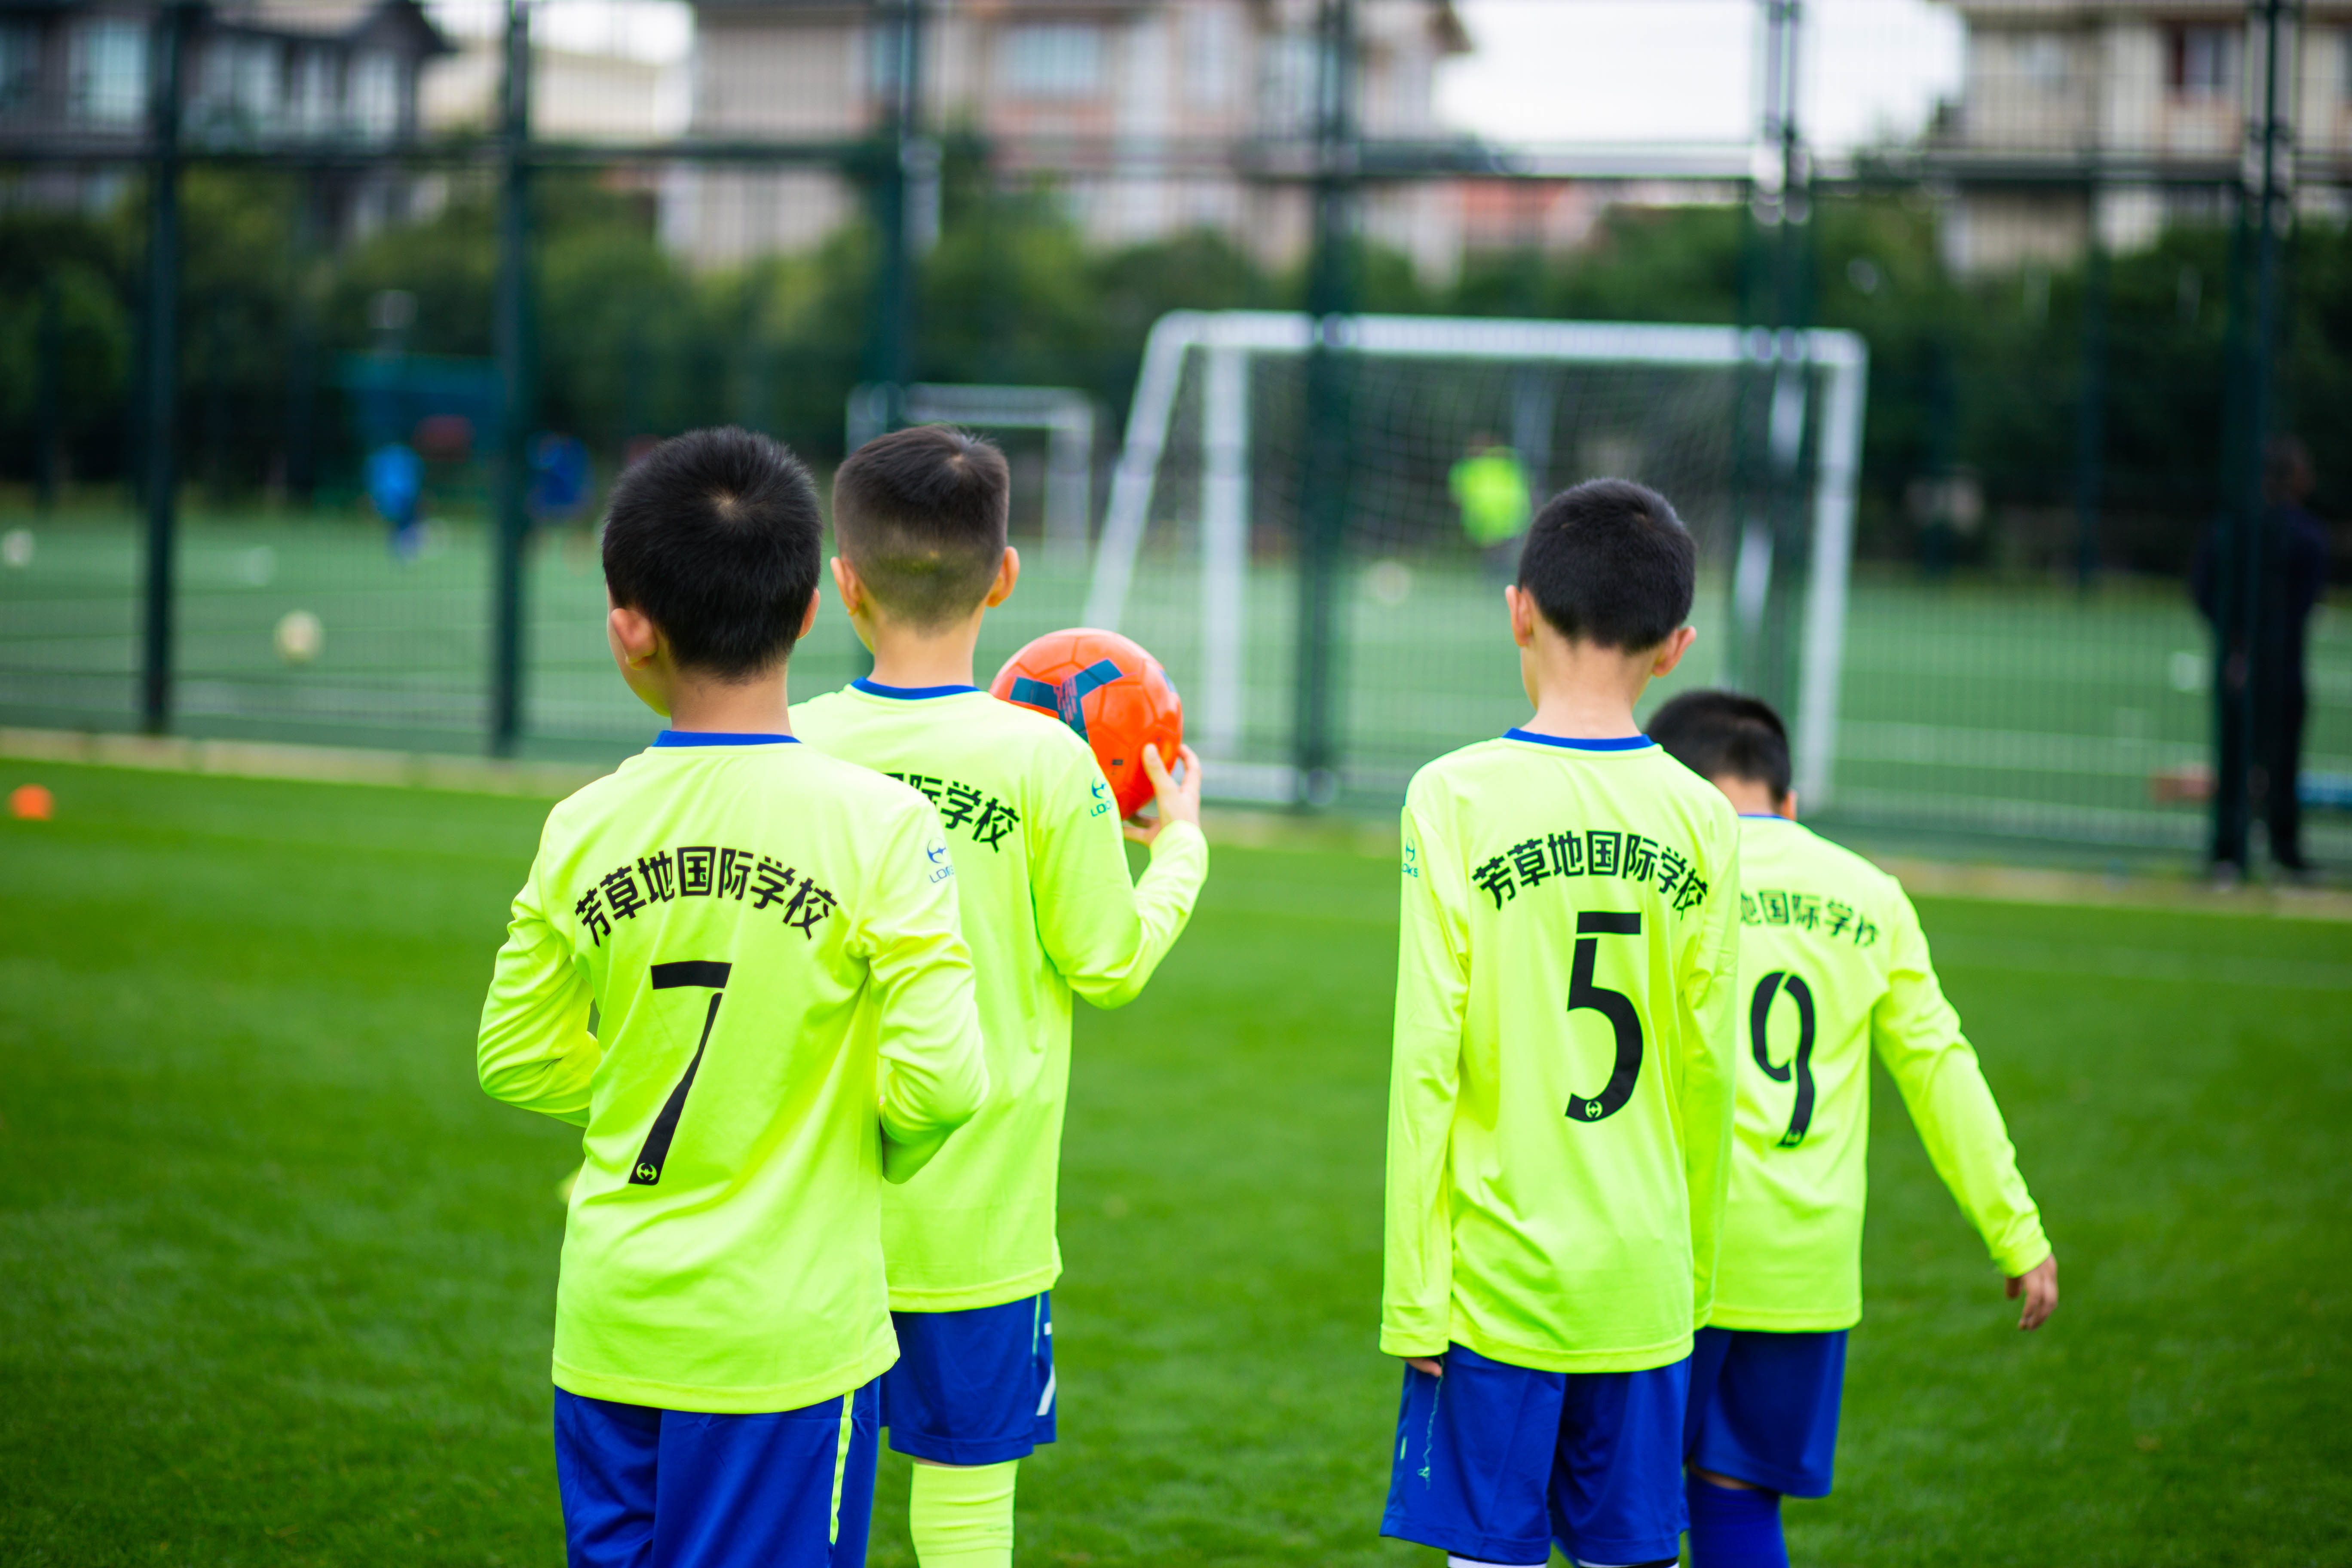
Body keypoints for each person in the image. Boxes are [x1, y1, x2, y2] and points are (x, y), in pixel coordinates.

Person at [474, 427, 990, 1568]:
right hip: (788, 1340)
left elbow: (511, 1055)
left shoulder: (583, 826)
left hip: (613, 1325)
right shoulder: (881, 827)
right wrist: (831, 1133)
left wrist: (649, 1096)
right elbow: (948, 1080)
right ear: (812, 610)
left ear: (628, 628)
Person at [793, 425, 1210, 1568]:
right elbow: (1110, 962)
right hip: (983, 1221)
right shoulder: (1045, 762)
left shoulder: (794, 746)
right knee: (968, 1496)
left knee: (799, 1510)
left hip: (810, 1210)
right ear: (1007, 577)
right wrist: (1179, 850)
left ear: (845, 586)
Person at [1381, 479, 1742, 1568]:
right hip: (1641, 1278)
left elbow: (1422, 1061)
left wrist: (1414, 1295)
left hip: (1493, 1285)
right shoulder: (1704, 817)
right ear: (1675, 646)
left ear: (1517, 609)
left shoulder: (1452, 796)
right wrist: (1694, 1277)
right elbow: (1707, 1071)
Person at [1645, 689, 2057, 1568]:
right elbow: (1941, 1070)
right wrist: (2015, 1230)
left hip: (1674, 1256)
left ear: (1675, 793)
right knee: (1742, 1504)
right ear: (1786, 802)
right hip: (1805, 1268)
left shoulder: (1667, 886)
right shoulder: (1871, 895)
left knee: (1630, 1508)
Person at [2192, 435, 2330, 878]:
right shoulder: (2306, 534)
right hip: (2282, 664)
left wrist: (2236, 644)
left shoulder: (2231, 526)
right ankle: (2283, 850)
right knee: (2280, 759)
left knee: (2237, 757)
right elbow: (2304, 604)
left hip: (2238, 660)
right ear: (2295, 478)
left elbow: (2203, 589)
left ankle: (2228, 851)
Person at [1450, 433, 1533, 582]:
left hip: (1503, 519)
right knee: (1498, 557)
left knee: (1502, 557)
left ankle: (1500, 581)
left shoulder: (1502, 463)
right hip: (1495, 520)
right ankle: (1499, 582)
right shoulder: (1505, 462)